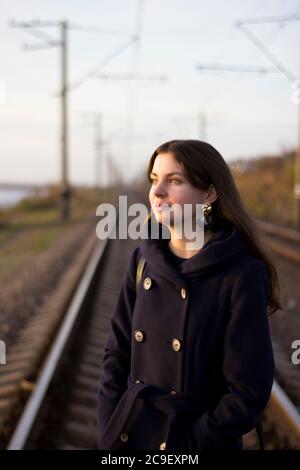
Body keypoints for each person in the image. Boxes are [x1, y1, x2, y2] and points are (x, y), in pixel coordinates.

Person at [97, 139, 281, 451]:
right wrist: (110, 426)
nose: (157, 192)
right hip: (132, 438)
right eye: (155, 180)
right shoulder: (142, 261)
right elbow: (116, 355)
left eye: (175, 181)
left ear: (209, 194)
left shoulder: (240, 274)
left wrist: (191, 442)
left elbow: (248, 391)